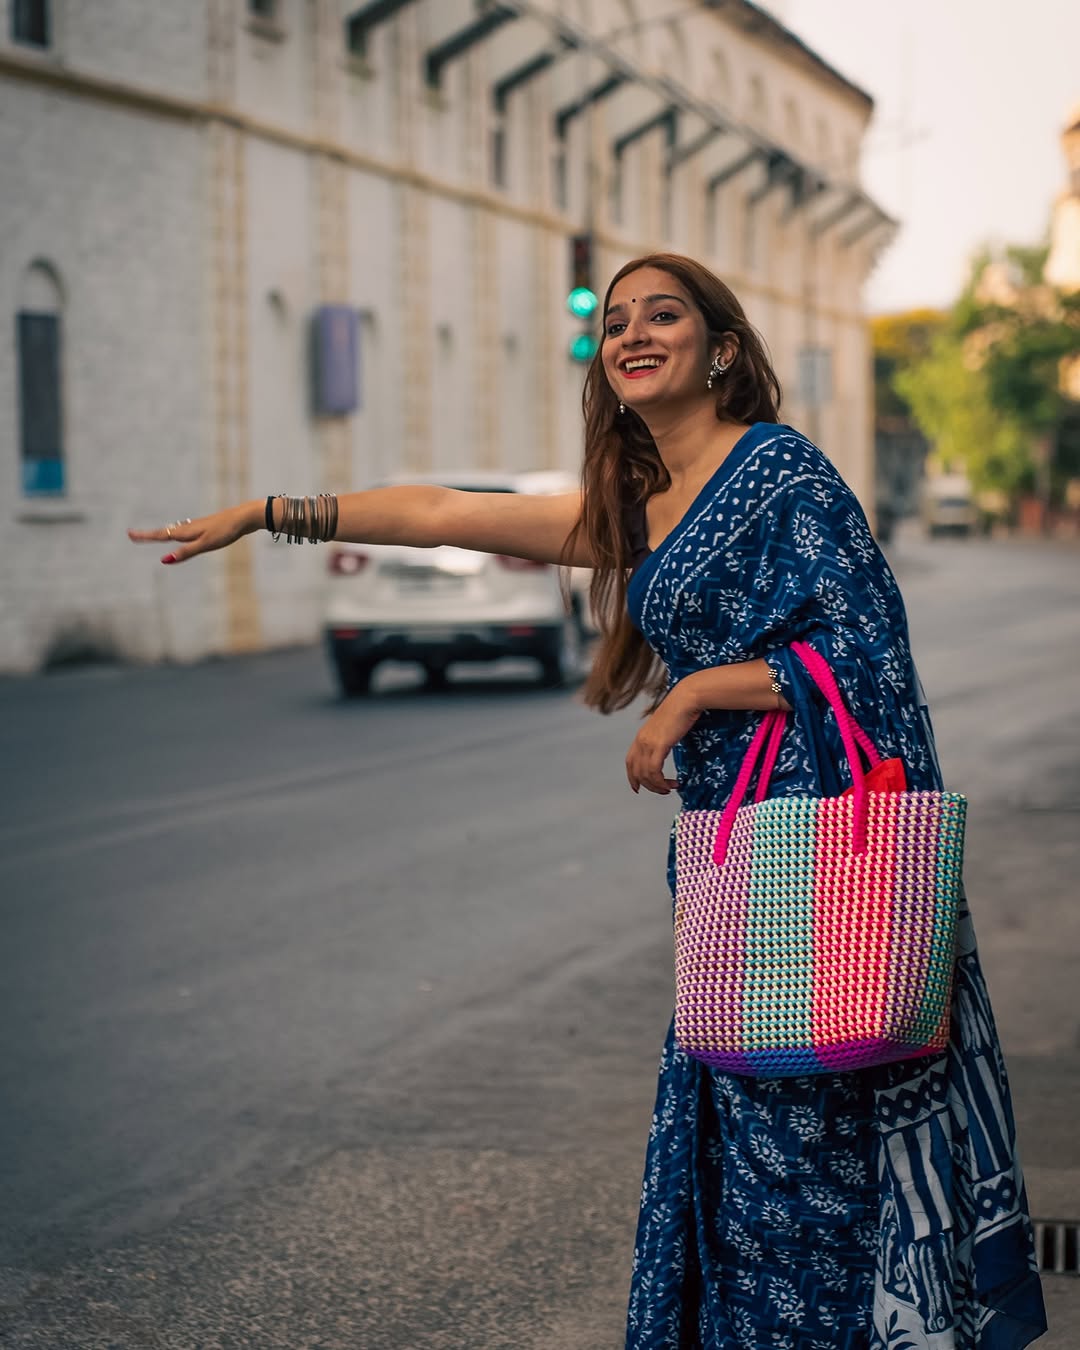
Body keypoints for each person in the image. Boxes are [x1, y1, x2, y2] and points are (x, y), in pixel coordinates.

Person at [130, 252, 1047, 1348]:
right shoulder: (635, 511)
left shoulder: (780, 470)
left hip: (829, 858)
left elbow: (868, 651)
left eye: (663, 315)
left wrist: (694, 693)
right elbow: (440, 512)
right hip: (731, 857)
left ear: (722, 349)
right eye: (616, 323)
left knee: (824, 1129)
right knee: (744, 1127)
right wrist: (272, 511)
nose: (633, 334)